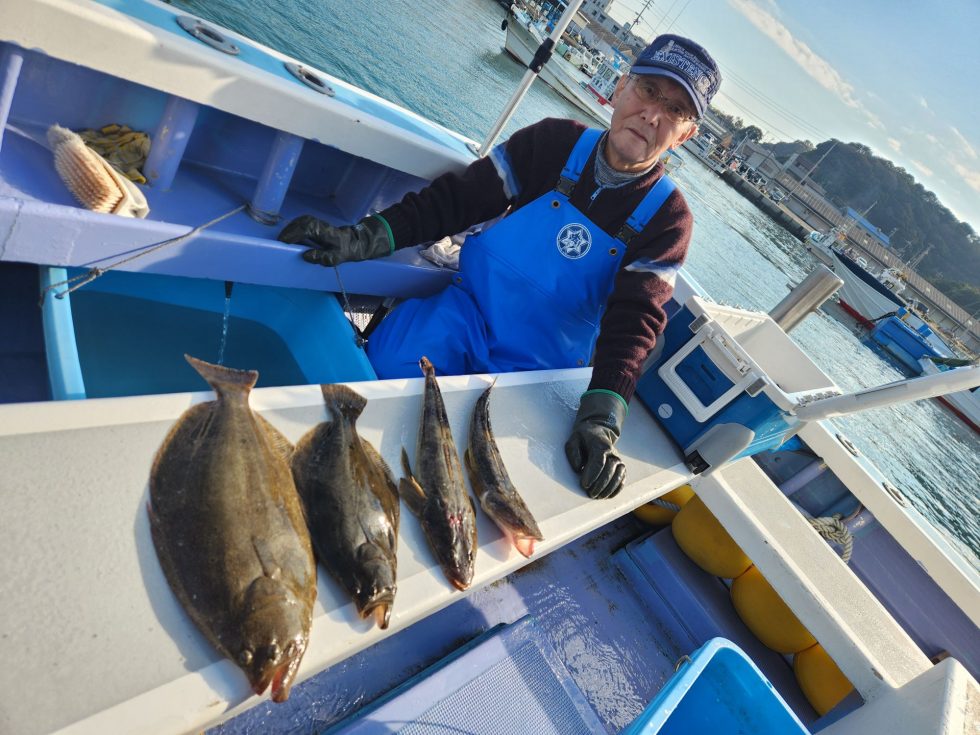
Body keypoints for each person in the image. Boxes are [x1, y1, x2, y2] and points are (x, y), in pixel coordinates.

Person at [278, 34, 722, 501]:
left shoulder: (668, 219)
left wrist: (601, 420)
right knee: (382, 375)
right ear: (620, 87)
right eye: (648, 90)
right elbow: (456, 201)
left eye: (675, 110)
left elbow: (635, 323)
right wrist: (362, 237)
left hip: (537, 365)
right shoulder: (552, 142)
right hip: (467, 314)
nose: (652, 114)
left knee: (480, 474)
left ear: (685, 135)